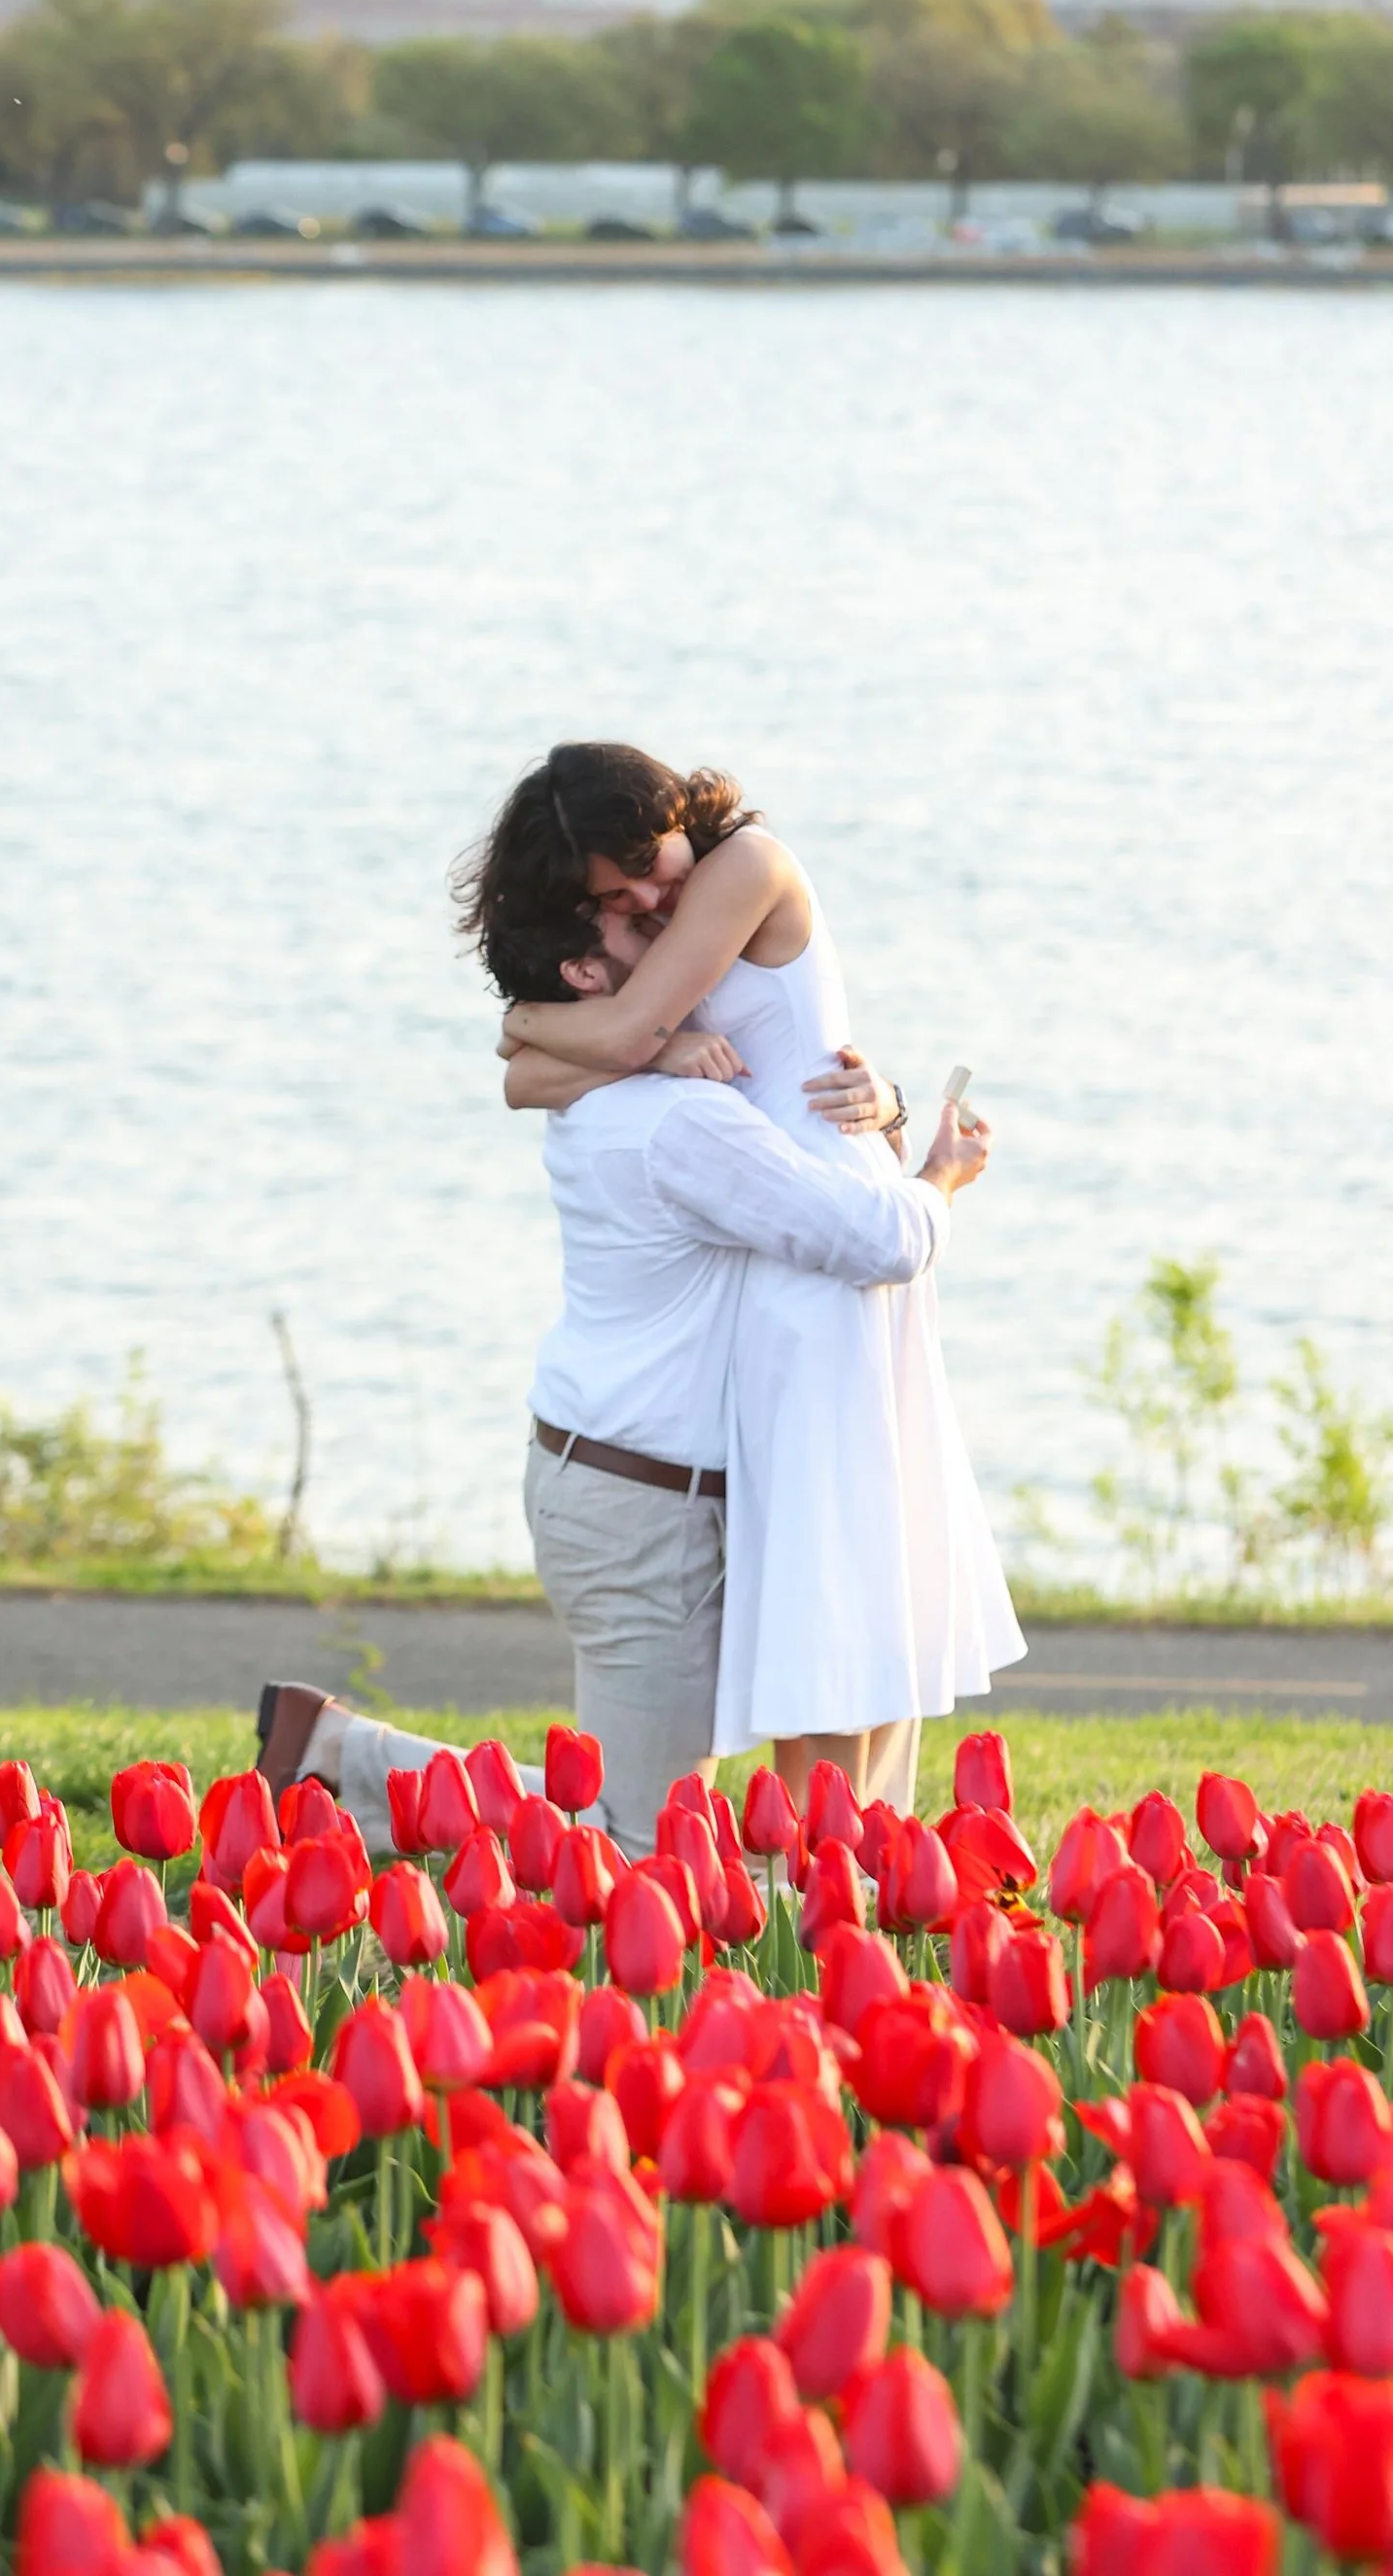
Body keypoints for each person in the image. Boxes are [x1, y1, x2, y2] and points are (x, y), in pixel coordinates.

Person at [259, 901, 992, 1849]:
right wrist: (942, 1175)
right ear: (585, 974)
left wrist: (882, 1103)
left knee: (652, 1830)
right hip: (644, 1510)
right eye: (641, 925)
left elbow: (793, 1152)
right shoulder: (680, 1117)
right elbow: (875, 1238)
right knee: (640, 1848)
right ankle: (338, 1758)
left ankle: (334, 1756)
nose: (682, 940)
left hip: (624, 1483)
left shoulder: (624, 1087)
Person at [466, 740, 1023, 1811]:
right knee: (828, 1588)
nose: (649, 898)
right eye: (616, 899)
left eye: (646, 866)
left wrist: (541, 1023)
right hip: (797, 1235)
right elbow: (533, 1075)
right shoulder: (664, 1071)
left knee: (846, 1581)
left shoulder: (746, 865)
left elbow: (594, 1040)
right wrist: (607, 1042)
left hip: (823, 1234)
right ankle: (834, 1859)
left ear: (676, 814)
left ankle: (843, 1856)